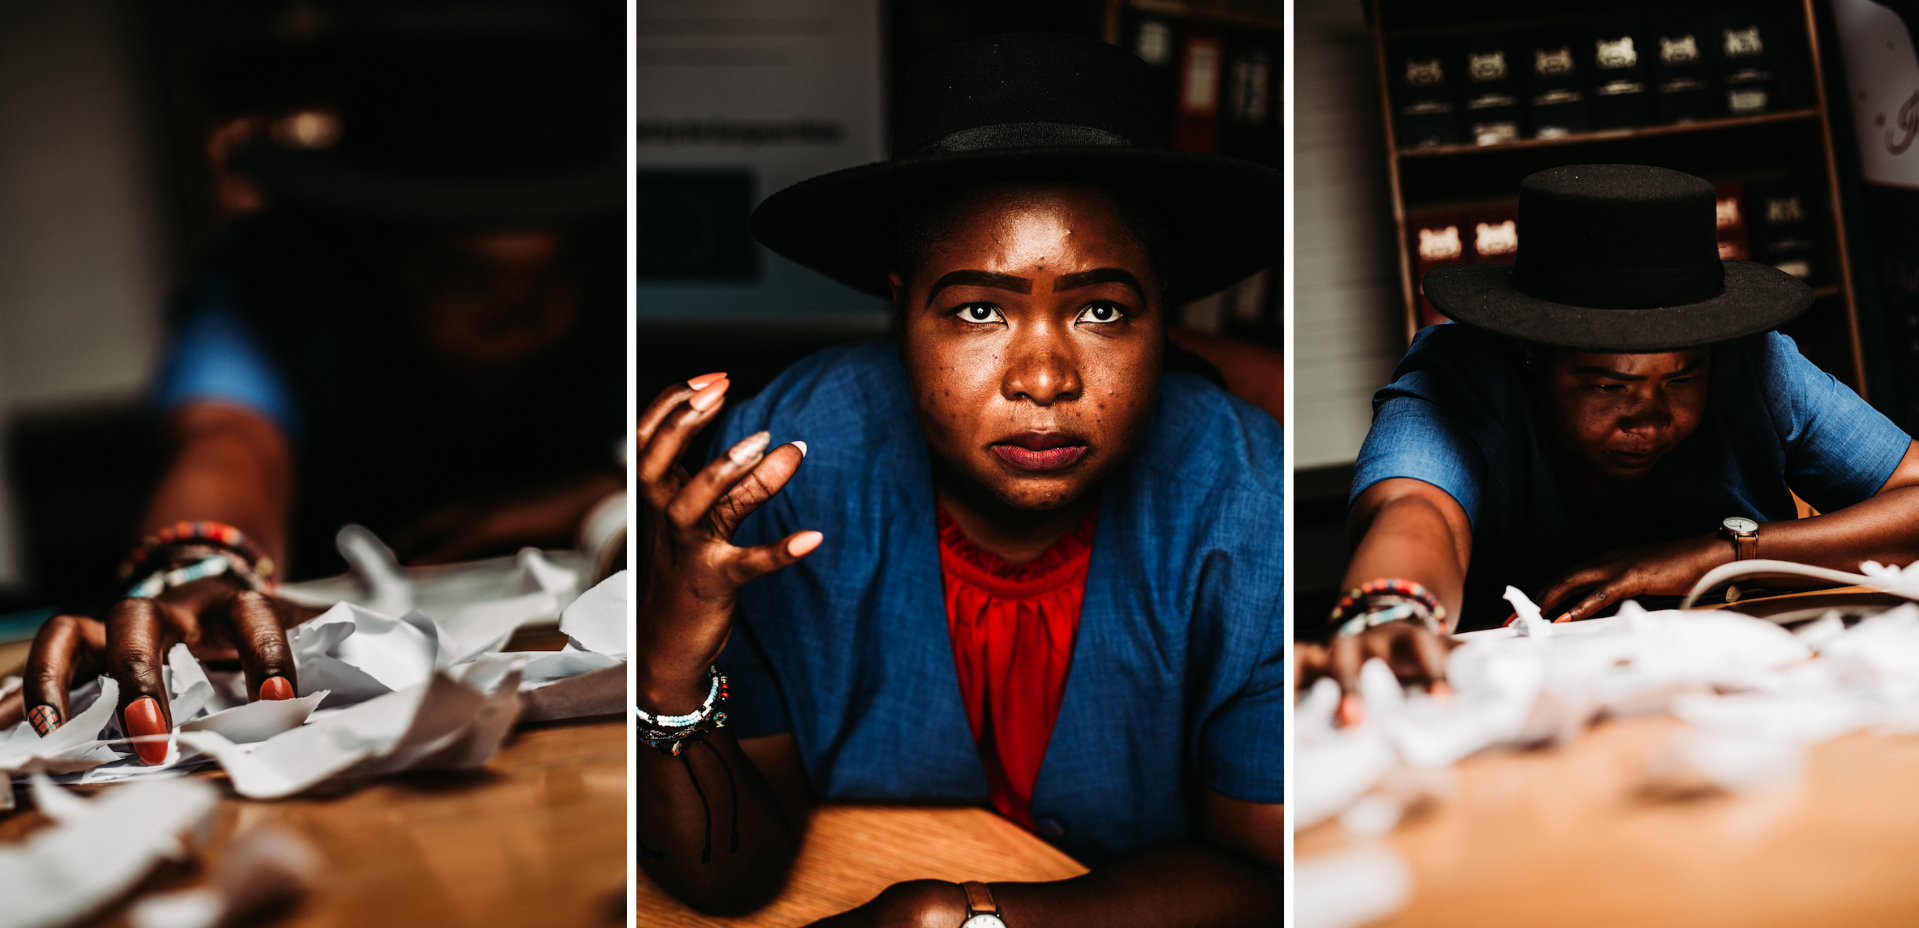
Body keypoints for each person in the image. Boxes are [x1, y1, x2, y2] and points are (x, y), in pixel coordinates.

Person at [638, 34, 1286, 926]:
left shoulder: (1247, 513)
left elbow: (1270, 883)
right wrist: (669, 667)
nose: (1046, 380)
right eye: (979, 310)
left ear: (1162, 318)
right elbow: (727, 880)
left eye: (1103, 310)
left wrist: (960, 918)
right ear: (902, 309)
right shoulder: (771, 478)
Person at [0, 15, 624, 759]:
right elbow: (225, 441)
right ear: (374, 246)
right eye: (466, 276)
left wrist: (597, 491)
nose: (520, 318)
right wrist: (203, 573)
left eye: (558, 272)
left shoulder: (629, 286)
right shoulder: (268, 285)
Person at [1301, 164, 1919, 721]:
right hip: (1527, 728)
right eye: (1605, 384)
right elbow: (1417, 507)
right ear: (1529, 353)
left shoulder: (1755, 363)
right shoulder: (1460, 375)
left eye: (1683, 377)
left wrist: (1720, 555)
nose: (1649, 419)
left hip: (1749, 708)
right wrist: (1392, 609)